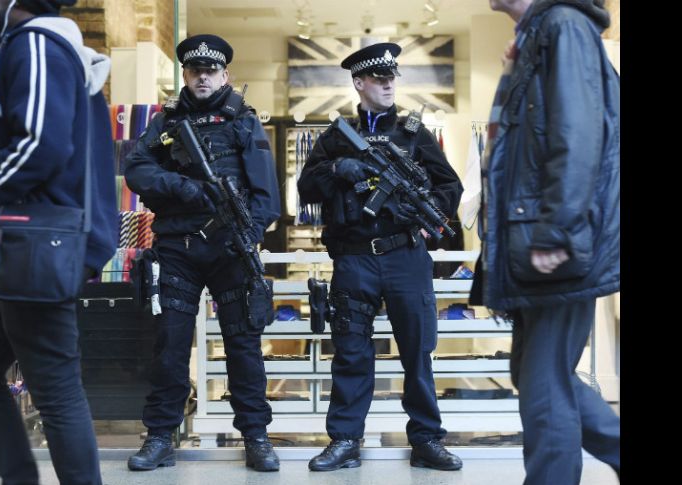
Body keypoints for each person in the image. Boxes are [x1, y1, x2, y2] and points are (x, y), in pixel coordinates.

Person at [297, 42, 464, 472]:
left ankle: (426, 439)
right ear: (359, 83)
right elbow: (306, 187)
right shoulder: (336, 138)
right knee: (351, 352)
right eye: (379, 79)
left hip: (405, 254)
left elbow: (451, 185)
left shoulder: (413, 133)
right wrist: (337, 169)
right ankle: (345, 439)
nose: (389, 85)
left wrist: (426, 216)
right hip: (354, 259)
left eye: (392, 79)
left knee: (417, 353)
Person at [473, 1, 620, 483]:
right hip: (533, 238)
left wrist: (557, 229)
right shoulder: (541, 34)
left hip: (552, 241)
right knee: (535, 373)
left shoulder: (564, 26)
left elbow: (578, 135)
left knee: (544, 388)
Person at [0, 0, 119, 484]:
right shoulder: (53, 48)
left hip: (37, 244)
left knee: (56, 391)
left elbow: (40, 143)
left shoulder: (37, 44)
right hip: (36, 243)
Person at [124, 34, 281, 472]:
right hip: (178, 248)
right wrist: (183, 187)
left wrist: (245, 235)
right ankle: (160, 436)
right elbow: (136, 169)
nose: (203, 78)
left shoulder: (244, 122)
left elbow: (267, 198)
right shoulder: (166, 122)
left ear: (225, 75)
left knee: (243, 346)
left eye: (210, 71)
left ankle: (256, 436)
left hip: (231, 249)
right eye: (195, 71)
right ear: (186, 75)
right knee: (170, 345)